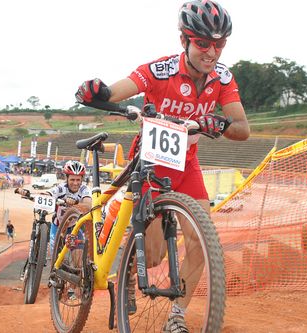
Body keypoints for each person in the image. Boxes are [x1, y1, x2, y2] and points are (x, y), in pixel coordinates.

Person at [75, 1, 250, 331]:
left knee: (201, 242)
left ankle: (177, 314)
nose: (211, 52)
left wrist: (219, 124)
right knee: (153, 257)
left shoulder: (223, 78)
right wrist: (96, 90)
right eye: (203, 43)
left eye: (219, 44)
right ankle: (127, 272)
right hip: (152, 166)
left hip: (188, 165)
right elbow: (115, 91)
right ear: (184, 39)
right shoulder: (160, 71)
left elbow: (243, 128)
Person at [19, 160, 92, 280]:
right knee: (57, 259)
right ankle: (55, 281)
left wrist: (76, 202)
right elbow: (47, 194)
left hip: (74, 228)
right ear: (67, 178)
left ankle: (73, 289)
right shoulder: (60, 188)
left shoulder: (84, 189)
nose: (75, 183)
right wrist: (35, 195)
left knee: (78, 262)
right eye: (72, 179)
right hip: (57, 227)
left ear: (82, 179)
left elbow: (88, 204)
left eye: (78, 180)